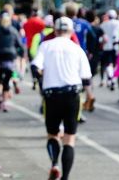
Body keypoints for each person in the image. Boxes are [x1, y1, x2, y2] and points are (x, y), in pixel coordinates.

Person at [31, 17, 92, 180]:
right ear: (71, 32)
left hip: (51, 95)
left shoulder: (45, 46)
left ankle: (54, 164)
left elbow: (35, 67)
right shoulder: (77, 49)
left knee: (52, 134)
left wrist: (41, 82)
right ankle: (65, 177)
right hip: (72, 94)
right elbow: (86, 78)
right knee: (69, 138)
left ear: (55, 31)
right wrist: (90, 96)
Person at [0, 13, 25, 112]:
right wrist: (21, 54)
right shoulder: (14, 31)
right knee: (7, 81)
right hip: (10, 57)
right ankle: (4, 103)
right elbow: (19, 44)